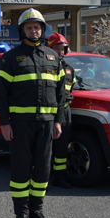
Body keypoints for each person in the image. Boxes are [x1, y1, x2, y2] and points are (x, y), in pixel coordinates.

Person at [0, 9, 64, 218]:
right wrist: (4, 123)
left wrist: (58, 121)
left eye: (37, 27)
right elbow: (2, 94)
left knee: (43, 169)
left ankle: (37, 212)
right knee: (20, 169)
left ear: (42, 30)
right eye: (29, 27)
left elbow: (62, 94)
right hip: (20, 124)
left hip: (46, 122)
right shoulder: (11, 57)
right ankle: (21, 215)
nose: (33, 31)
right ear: (22, 30)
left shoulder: (53, 57)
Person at [46, 33, 75, 189]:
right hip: (48, 112)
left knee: (62, 148)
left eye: (62, 48)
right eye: (56, 48)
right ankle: (40, 178)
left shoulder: (69, 69)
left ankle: (59, 177)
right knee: (44, 148)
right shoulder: (45, 67)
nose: (60, 52)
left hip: (64, 112)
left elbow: (71, 89)